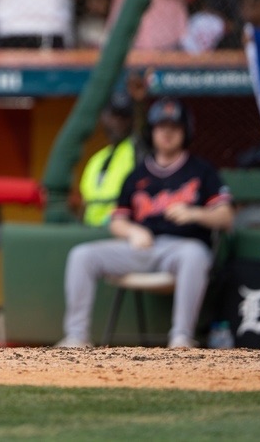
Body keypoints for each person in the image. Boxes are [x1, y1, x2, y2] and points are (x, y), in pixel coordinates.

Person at [56, 98, 233, 349]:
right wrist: (133, 231)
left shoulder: (202, 171)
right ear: (152, 132)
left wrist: (195, 214)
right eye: (161, 127)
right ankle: (76, 337)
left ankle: (181, 338)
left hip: (182, 249)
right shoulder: (137, 174)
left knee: (194, 255)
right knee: (82, 255)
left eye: (174, 127)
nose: (167, 133)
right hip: (142, 248)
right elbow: (117, 221)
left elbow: (226, 216)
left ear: (185, 131)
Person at [77, 89, 138, 228]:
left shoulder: (137, 149)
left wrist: (140, 103)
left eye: (124, 117)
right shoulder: (96, 160)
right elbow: (85, 204)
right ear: (104, 117)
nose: (119, 122)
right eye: (114, 116)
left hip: (122, 230)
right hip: (90, 230)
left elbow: (144, 135)